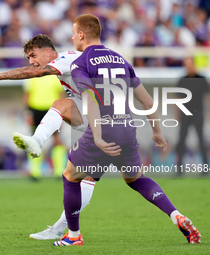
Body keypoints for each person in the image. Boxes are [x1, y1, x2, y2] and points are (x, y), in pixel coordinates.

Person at [52, 14, 201, 246]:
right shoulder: (121, 59)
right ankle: (176, 215)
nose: (72, 37)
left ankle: (73, 236)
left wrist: (98, 137)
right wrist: (157, 132)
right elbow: (147, 101)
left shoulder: (80, 62)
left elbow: (90, 98)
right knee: (135, 178)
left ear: (81, 34)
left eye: (73, 32)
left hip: (102, 130)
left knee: (70, 176)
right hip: (127, 129)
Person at [0, 34, 95, 240]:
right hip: (96, 116)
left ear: (47, 51)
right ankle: (61, 230)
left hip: (102, 117)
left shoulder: (63, 61)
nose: (31, 61)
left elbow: (35, 72)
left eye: (33, 55)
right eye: (28, 58)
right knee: (80, 176)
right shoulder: (70, 60)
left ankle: (37, 141)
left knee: (59, 106)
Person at [176, 57, 210, 174]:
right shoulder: (182, 80)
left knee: (201, 140)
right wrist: (177, 114)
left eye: (190, 64)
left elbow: (209, 95)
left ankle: (205, 168)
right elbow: (176, 98)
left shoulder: (201, 79)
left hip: (198, 114)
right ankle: (179, 169)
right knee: (181, 140)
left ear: (194, 65)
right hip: (185, 114)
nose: (188, 67)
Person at [23, 75, 66, 179]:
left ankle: (59, 171)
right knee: (35, 140)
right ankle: (35, 172)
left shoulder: (55, 76)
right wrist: (28, 113)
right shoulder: (32, 76)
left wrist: (63, 114)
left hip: (52, 110)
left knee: (57, 140)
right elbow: (27, 95)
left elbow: (61, 95)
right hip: (35, 110)